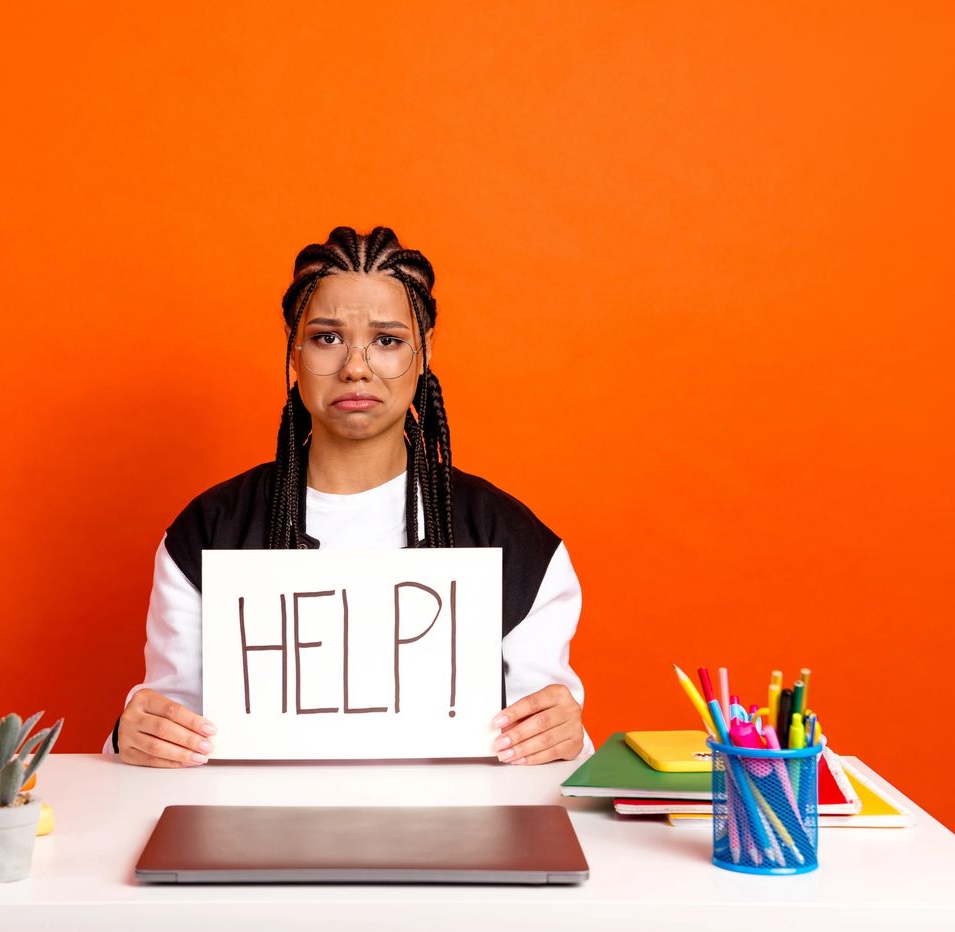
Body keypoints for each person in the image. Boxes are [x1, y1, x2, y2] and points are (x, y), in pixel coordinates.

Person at [106, 226, 592, 767]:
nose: (355, 366)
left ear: (423, 352)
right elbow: (171, 726)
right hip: (261, 836)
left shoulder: (514, 542)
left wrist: (564, 737)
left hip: (455, 838)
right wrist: (138, 734)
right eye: (327, 337)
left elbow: (550, 748)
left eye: (387, 340)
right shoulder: (206, 532)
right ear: (294, 350)